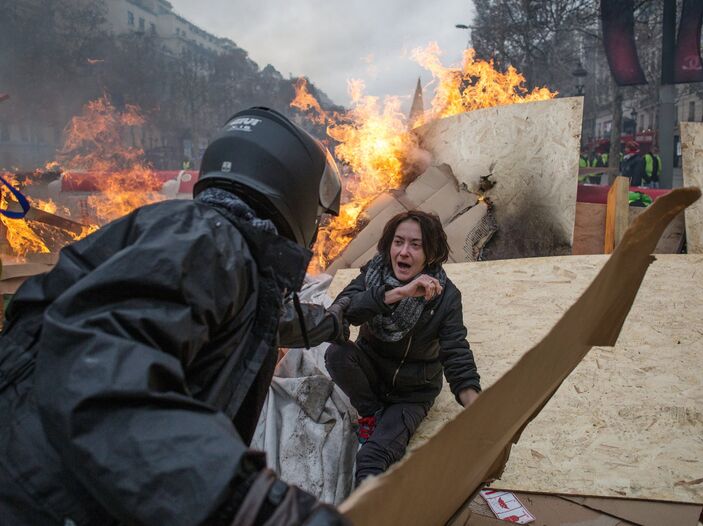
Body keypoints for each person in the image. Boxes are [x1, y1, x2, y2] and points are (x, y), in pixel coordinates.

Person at [0, 107, 351, 526]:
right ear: (293, 192)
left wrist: (336, 322)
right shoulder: (208, 241)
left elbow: (268, 322)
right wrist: (255, 506)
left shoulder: (231, 257)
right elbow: (105, 369)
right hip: (50, 498)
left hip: (75, 489)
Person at [325, 210, 482, 487]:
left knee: (371, 459)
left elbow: (456, 352)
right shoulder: (374, 274)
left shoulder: (445, 297)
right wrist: (401, 292)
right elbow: (345, 309)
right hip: (372, 374)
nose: (404, 252)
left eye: (415, 244)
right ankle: (372, 413)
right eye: (398, 242)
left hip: (410, 394)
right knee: (337, 353)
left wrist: (479, 408)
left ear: (431, 252)